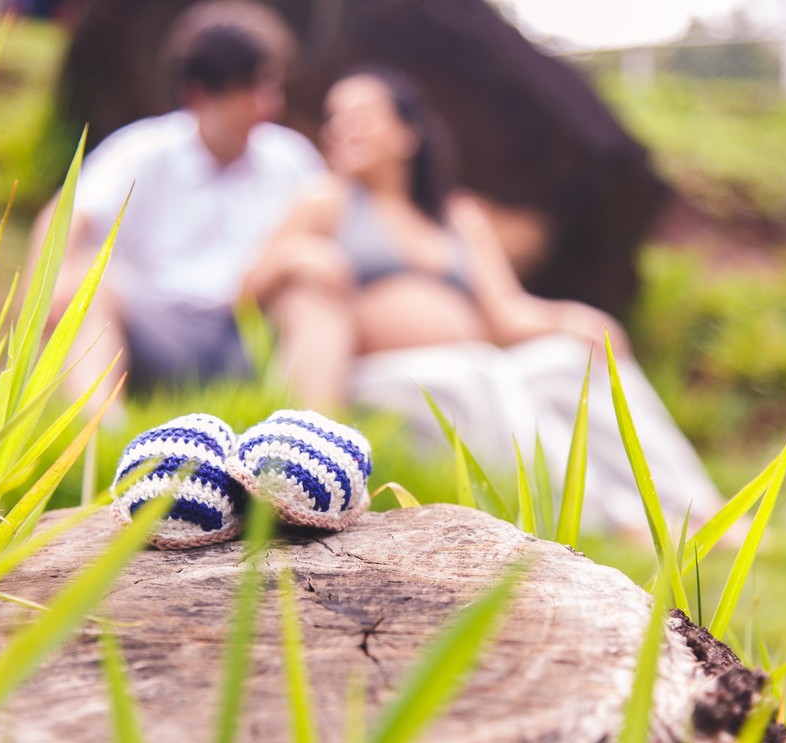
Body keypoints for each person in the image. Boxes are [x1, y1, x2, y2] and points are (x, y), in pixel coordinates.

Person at [241, 66, 723, 536]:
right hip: (380, 376)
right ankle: (613, 521)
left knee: (576, 359)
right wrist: (295, 256)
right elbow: (244, 289)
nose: (342, 128)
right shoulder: (327, 200)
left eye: (361, 115)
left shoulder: (457, 216)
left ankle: (698, 508)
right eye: (335, 117)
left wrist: (573, 318)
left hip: (477, 365)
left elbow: (507, 313)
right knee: (478, 372)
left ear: (408, 133)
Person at [32, 1, 324, 414]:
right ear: (201, 93)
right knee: (87, 282)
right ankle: (95, 437)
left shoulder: (290, 158)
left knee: (314, 291)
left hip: (248, 330)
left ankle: (307, 447)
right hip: (153, 327)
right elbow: (62, 219)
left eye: (271, 88)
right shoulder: (144, 149)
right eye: (253, 90)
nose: (269, 105)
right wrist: (50, 287)